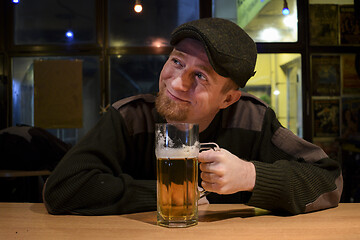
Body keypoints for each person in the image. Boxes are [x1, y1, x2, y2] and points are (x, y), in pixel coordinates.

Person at [43, 18, 343, 216]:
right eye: (176, 61)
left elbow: (329, 179)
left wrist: (251, 176)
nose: (176, 83)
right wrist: (168, 194)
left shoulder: (252, 119)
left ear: (228, 98)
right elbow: (62, 188)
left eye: (199, 76)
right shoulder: (130, 118)